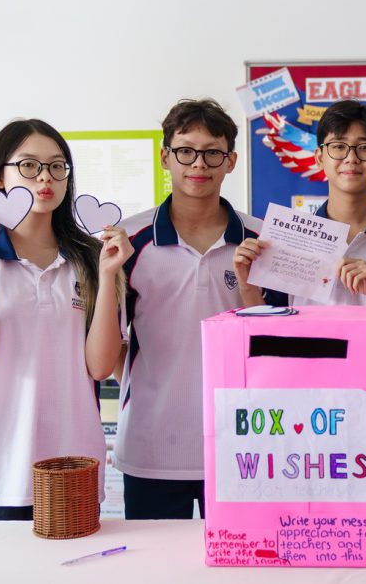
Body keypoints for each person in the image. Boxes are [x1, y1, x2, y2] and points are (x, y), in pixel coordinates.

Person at [233, 99, 366, 516]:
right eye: (338, 146)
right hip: (310, 422)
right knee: (321, 534)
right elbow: (268, 333)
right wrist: (249, 286)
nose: (351, 158)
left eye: (365, 147)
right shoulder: (289, 238)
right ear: (319, 156)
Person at [0, 119, 130, 520]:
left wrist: (108, 276)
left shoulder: (93, 260)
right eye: (28, 165)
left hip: (71, 467)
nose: (45, 177)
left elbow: (100, 367)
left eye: (56, 166)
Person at [115, 98, 265, 519]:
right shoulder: (128, 241)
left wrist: (249, 291)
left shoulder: (261, 240)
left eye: (212, 152)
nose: (198, 164)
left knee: (244, 557)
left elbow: (278, 345)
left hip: (243, 444)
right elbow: (112, 346)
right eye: (185, 151)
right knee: (155, 559)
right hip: (152, 446)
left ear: (231, 161)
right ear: (165, 157)